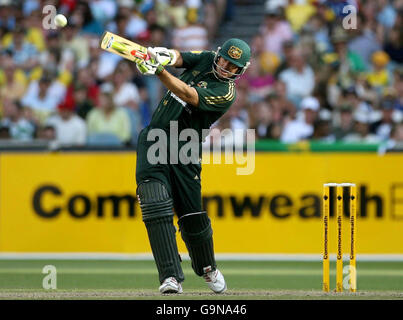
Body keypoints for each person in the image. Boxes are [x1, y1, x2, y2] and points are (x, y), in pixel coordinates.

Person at [134, 38, 251, 294]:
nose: (226, 68)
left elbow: (188, 94)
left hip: (185, 149)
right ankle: (170, 276)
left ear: (239, 72)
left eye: (233, 67)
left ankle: (207, 267)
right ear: (218, 55)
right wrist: (162, 55)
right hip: (155, 137)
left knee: (191, 216)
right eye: (224, 61)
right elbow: (181, 57)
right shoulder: (208, 58)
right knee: (154, 202)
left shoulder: (226, 92)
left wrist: (159, 70)